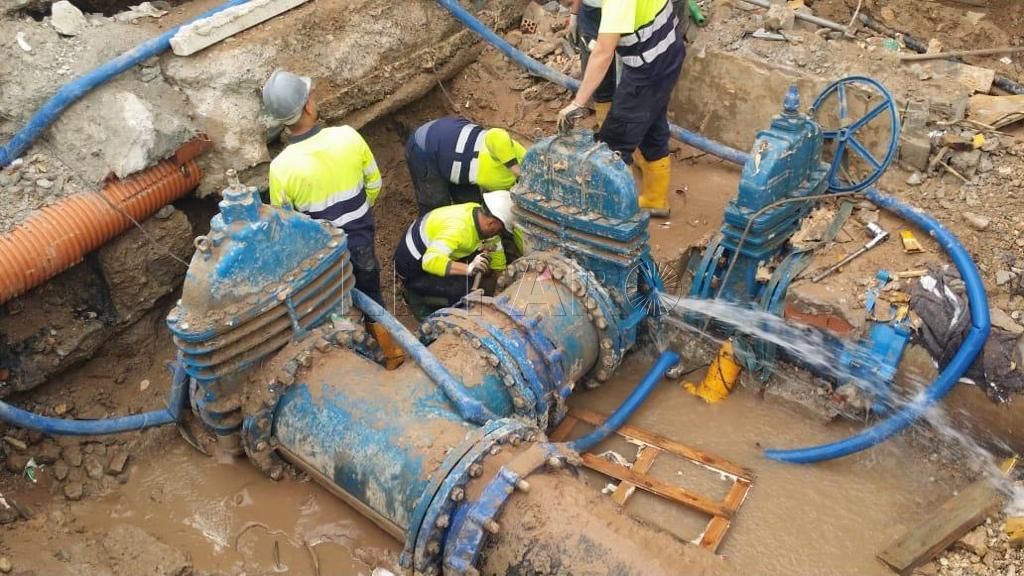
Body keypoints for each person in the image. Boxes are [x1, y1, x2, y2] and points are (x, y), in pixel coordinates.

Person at [261, 69, 404, 369]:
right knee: (373, 297)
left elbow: (289, 225)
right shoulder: (348, 136)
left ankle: (354, 363)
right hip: (361, 240)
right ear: (308, 106)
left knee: (334, 307)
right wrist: (359, 216)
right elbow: (375, 184)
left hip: (324, 257)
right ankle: (392, 357)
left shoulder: (281, 168)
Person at [559, 0, 686, 218]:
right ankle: (655, 199)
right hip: (666, 54)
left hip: (648, 67)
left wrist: (577, 103)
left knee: (612, 147)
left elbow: (603, 53)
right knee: (652, 126)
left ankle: (615, 214)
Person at [393, 190, 514, 320]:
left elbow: (495, 244)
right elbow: (430, 261)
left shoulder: (478, 213)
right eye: (500, 229)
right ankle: (416, 298)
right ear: (491, 223)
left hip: (432, 248)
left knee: (481, 274)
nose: (499, 232)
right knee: (462, 290)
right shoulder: (458, 230)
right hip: (413, 266)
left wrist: (500, 277)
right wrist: (468, 268)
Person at [405, 117, 527, 215]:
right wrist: (515, 167)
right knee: (437, 207)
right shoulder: (523, 161)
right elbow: (495, 136)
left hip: (460, 160)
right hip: (427, 148)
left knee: (472, 207)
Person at [567, 0, 618, 130]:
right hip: (592, 15)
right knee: (602, 88)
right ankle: (607, 133)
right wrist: (574, 12)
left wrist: (578, 103)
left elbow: (602, 54)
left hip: (621, 14)